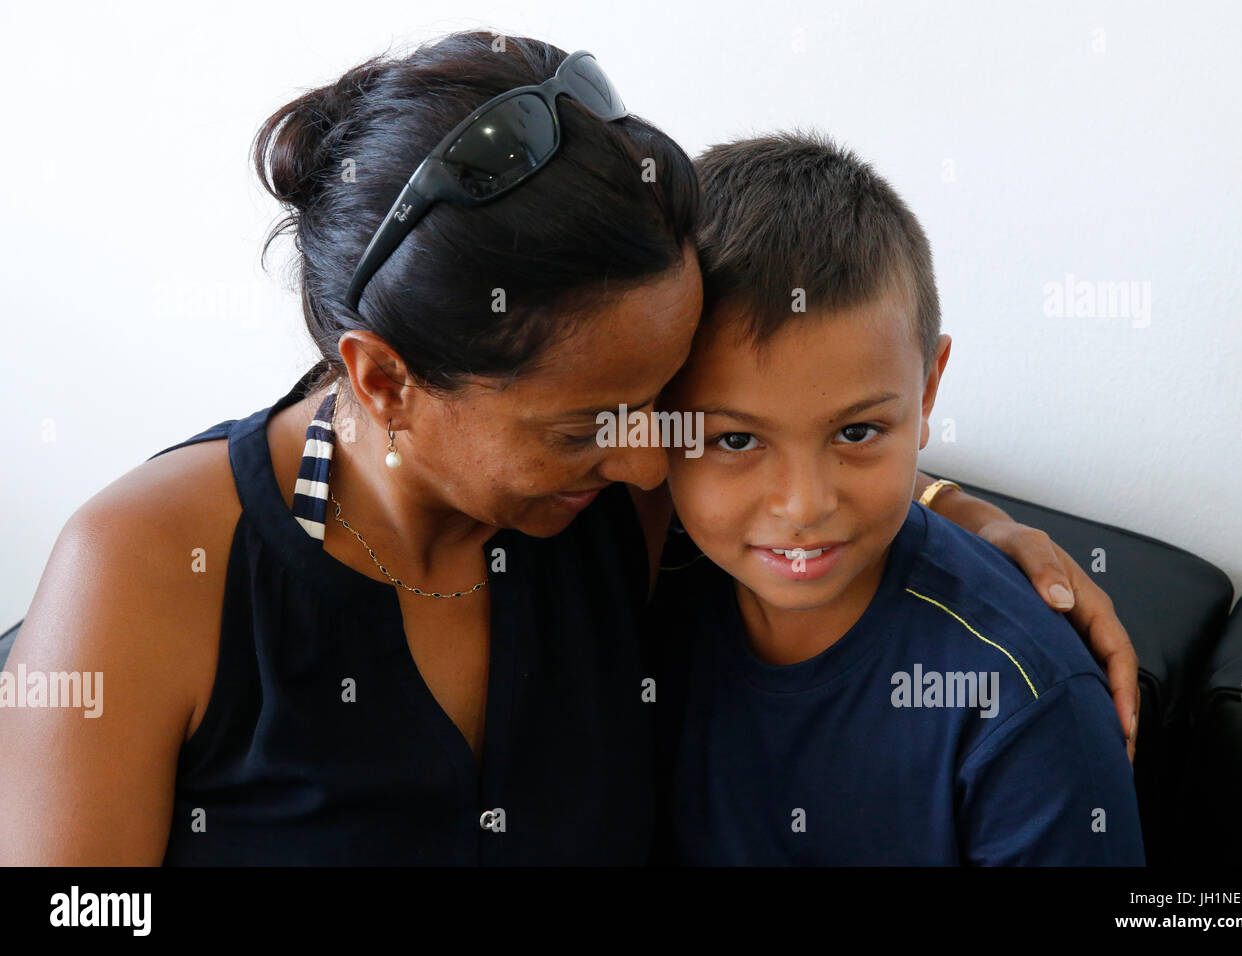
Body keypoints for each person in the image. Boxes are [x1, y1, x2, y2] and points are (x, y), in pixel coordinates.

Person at [0, 33, 1137, 866]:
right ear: (384, 378)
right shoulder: (145, 567)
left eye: (666, 404)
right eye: (589, 425)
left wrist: (965, 515)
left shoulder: (612, 502)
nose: (650, 465)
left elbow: (798, 431)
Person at [649, 130, 1144, 865]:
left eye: (856, 431)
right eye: (735, 440)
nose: (803, 505)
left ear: (930, 385)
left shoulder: (1021, 704)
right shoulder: (639, 571)